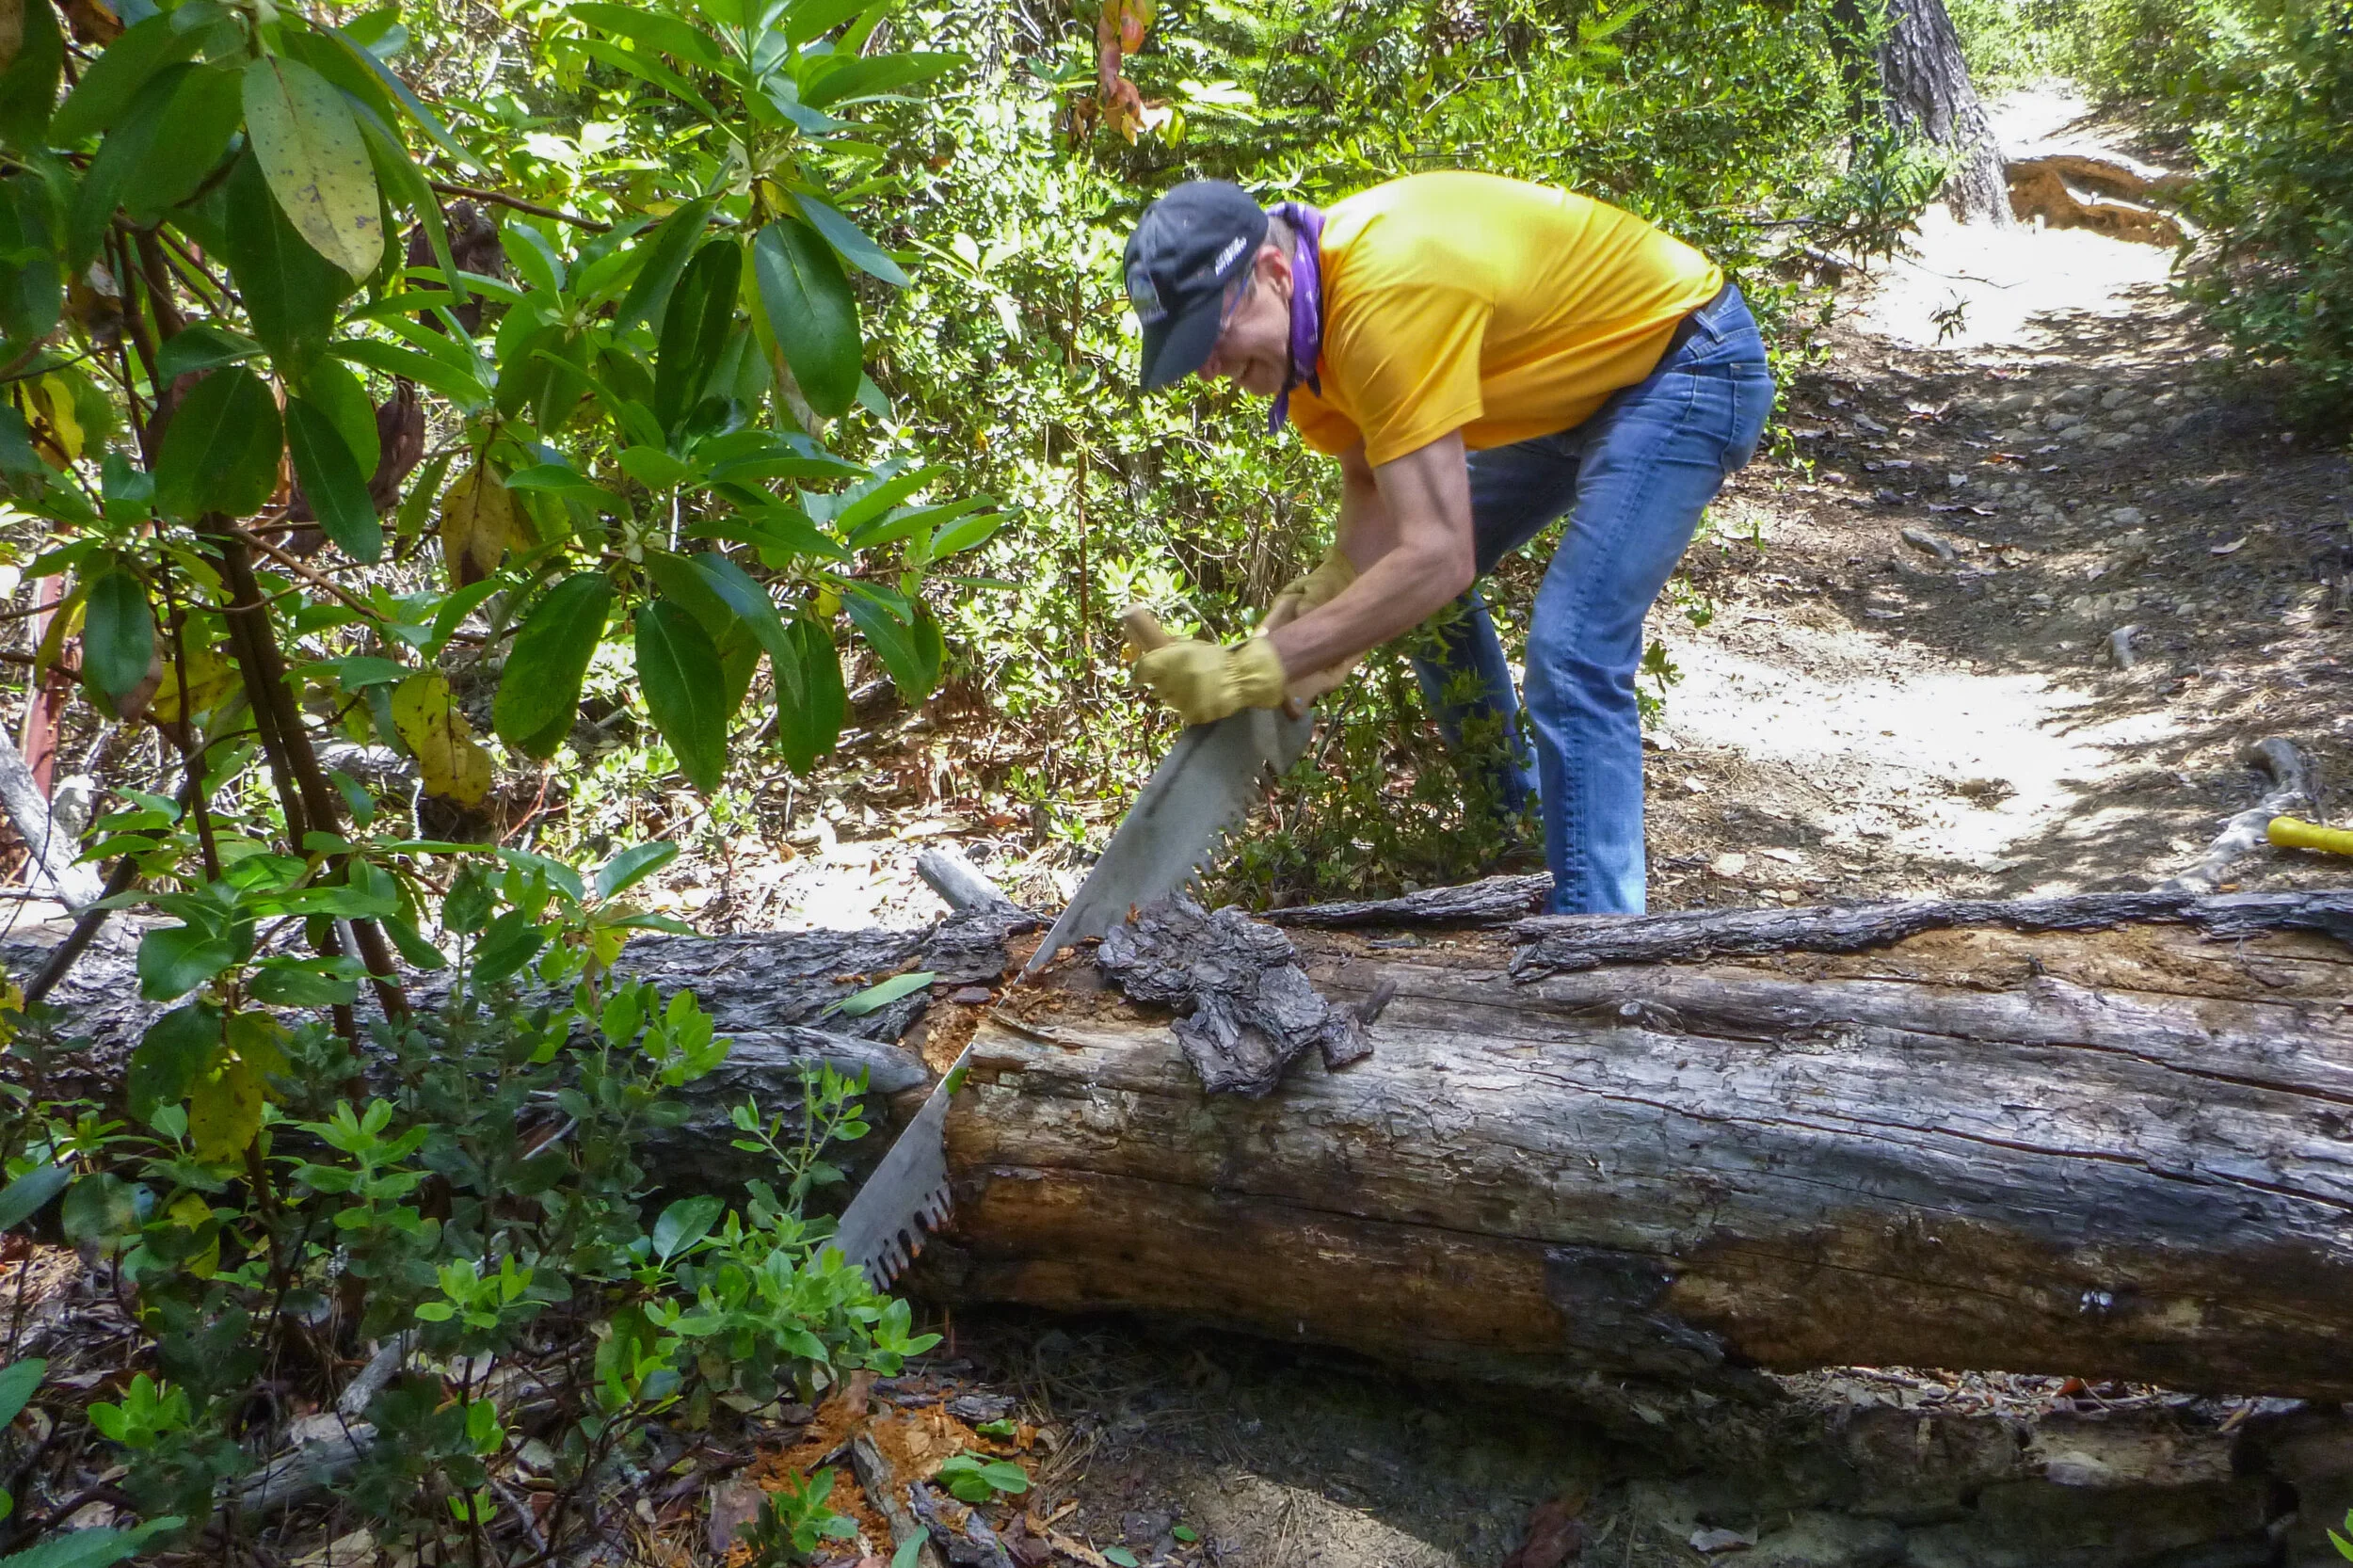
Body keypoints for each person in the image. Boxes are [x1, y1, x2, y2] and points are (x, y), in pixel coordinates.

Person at [1119, 173, 1772, 915]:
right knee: (1415, 604)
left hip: (1685, 361)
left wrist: (1257, 668)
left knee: (1573, 651)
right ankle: (1517, 834)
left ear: (1272, 273)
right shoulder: (1304, 338)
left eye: (1211, 336)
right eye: (1189, 351)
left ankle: (1601, 950)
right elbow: (1372, 475)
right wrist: (1334, 588)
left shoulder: (1380, 298)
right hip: (1566, 391)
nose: (1209, 367)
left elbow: (1435, 555)